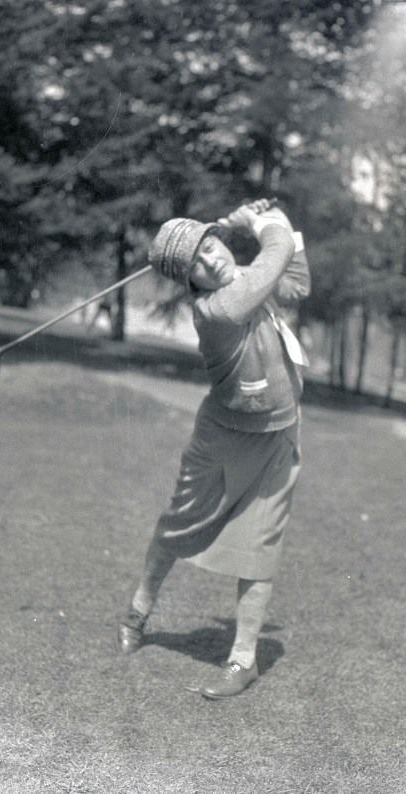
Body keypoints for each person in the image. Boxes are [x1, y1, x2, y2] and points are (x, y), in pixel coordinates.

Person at [116, 198, 310, 700]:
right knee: (179, 526)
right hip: (222, 440)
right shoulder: (219, 309)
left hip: (278, 434)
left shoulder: (248, 281)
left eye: (212, 244)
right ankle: (137, 613)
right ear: (193, 284)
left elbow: (295, 281)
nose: (213, 260)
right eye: (198, 264)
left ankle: (242, 660)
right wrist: (265, 225)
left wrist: (281, 221)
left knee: (261, 549)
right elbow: (278, 250)